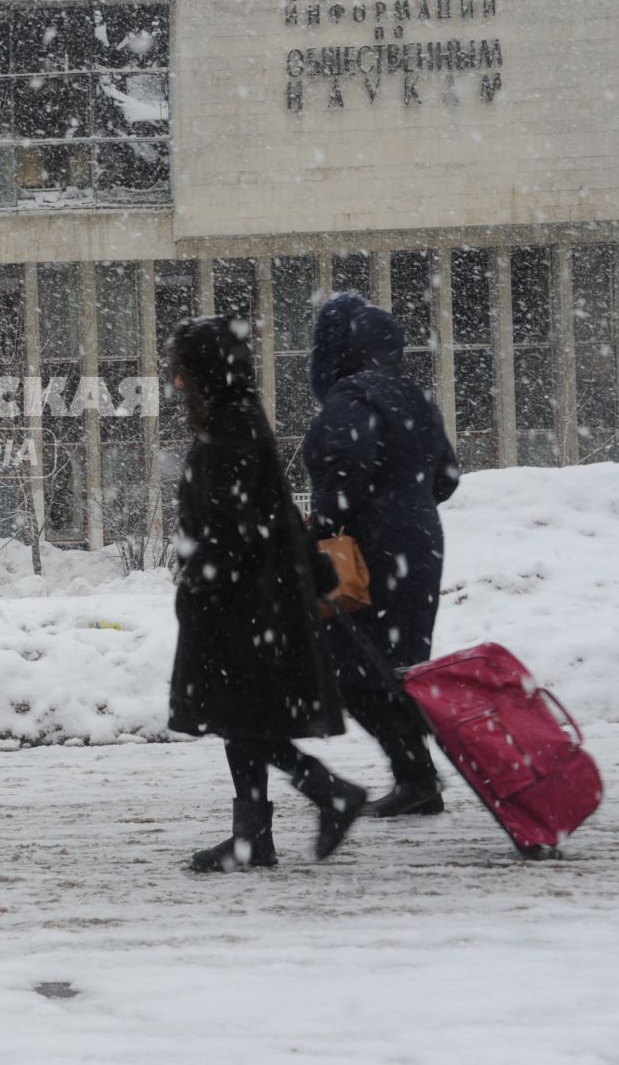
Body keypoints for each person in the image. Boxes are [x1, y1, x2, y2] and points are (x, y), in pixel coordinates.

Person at [166, 316, 367, 872]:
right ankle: (256, 835)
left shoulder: (231, 428)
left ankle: (327, 795)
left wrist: (204, 583)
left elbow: (232, 524)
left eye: (182, 372)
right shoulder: (238, 420)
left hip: (243, 603)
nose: (176, 383)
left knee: (244, 720)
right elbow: (271, 512)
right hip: (253, 597)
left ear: (204, 372)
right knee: (242, 719)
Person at [304, 293, 463, 818]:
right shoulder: (416, 398)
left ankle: (418, 773)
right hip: (419, 542)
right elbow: (446, 475)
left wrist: (325, 528)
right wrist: (408, 506)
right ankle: (419, 775)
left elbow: (344, 472)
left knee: (355, 669)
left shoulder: (352, 399)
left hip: (369, 550)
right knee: (392, 665)